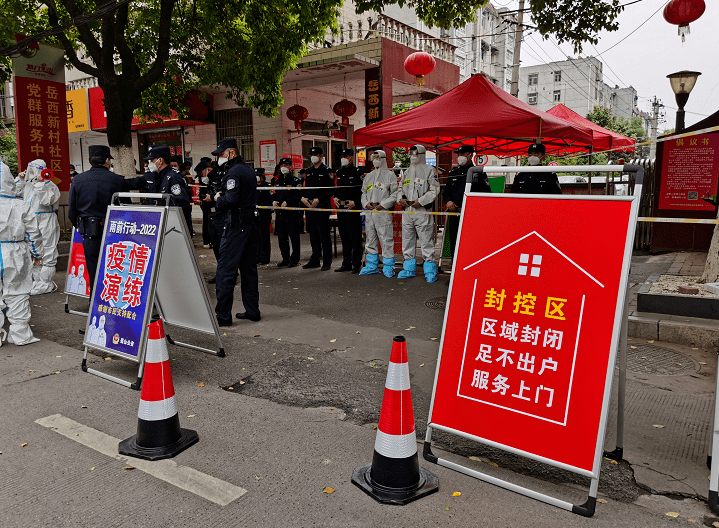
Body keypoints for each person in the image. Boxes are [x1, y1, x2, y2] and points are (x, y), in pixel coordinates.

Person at [68, 145, 144, 292]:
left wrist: (79, 226)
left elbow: (72, 210)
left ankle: (95, 306)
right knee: (115, 270)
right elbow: (125, 207)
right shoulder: (116, 179)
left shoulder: (78, 180)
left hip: (89, 232)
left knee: (94, 270)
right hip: (113, 231)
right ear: (107, 160)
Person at [211, 137, 260, 325]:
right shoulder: (248, 169)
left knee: (225, 271)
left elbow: (230, 200)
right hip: (250, 225)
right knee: (249, 270)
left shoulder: (233, 172)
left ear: (231, 152)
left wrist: (218, 199)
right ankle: (252, 310)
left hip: (235, 225)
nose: (219, 158)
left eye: (222, 154)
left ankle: (223, 317)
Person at [0, 160, 44, 346]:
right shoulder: (20, 204)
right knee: (18, 292)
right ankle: (20, 334)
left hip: (12, 248)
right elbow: (33, 232)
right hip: (15, 250)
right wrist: (38, 254)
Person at [396, 144, 440, 283]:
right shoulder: (407, 171)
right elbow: (400, 188)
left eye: (415, 153)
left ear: (421, 154)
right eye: (410, 153)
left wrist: (420, 201)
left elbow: (434, 190)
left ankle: (430, 270)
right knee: (407, 241)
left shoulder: (429, 171)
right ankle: (408, 268)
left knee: (426, 241)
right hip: (408, 212)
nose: (412, 156)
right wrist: (400, 199)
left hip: (422, 211)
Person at [18, 159, 61, 295]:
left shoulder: (50, 185)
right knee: (34, 249)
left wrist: (41, 184)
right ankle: (37, 280)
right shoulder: (27, 185)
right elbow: (12, 193)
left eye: (33, 170)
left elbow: (47, 200)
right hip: (31, 219)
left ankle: (46, 282)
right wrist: (19, 180)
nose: (30, 173)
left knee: (49, 250)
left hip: (46, 218)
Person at [444, 145, 491, 258]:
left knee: (471, 242)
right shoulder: (453, 173)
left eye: (463, 154)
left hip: (471, 215)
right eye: (459, 155)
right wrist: (448, 201)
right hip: (455, 214)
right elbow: (446, 192)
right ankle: (454, 267)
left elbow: (486, 194)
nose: (460, 157)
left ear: (470, 155)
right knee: (455, 242)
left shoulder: (479, 173)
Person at [359, 150, 398, 277]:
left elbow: (395, 194)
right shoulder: (369, 176)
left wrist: (385, 204)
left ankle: (388, 266)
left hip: (383, 212)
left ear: (383, 158)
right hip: (370, 212)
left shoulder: (390, 175)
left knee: (386, 239)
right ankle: (371, 265)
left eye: (377, 157)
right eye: (373, 157)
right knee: (370, 239)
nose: (375, 159)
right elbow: (363, 193)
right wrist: (365, 204)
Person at [145, 146, 194, 235]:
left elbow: (180, 203)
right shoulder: (159, 176)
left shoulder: (173, 177)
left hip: (177, 228)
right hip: (166, 227)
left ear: (160, 160)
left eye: (152, 160)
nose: (150, 163)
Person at [300, 147, 335, 271]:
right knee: (313, 235)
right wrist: (303, 198)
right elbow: (305, 188)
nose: (313, 156)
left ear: (321, 156)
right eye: (311, 154)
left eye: (316, 154)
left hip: (321, 207)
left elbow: (331, 189)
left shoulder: (327, 171)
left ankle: (327, 262)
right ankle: (315, 259)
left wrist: (319, 199)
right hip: (309, 207)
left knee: (324, 235)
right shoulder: (308, 171)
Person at [333, 148, 363, 273]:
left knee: (355, 238)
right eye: (341, 156)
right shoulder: (338, 173)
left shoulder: (358, 172)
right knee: (344, 237)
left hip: (353, 210)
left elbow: (363, 191)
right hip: (341, 209)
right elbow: (336, 189)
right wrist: (335, 197)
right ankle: (346, 263)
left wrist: (355, 202)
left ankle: (356, 264)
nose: (343, 158)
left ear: (351, 158)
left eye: (346, 156)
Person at [273, 158, 302, 267]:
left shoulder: (295, 181)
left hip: (291, 213)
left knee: (294, 237)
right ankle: (285, 258)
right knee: (281, 237)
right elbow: (274, 193)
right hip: (280, 214)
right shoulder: (277, 180)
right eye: (282, 165)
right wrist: (274, 200)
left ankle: (294, 259)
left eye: (286, 165)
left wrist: (288, 202)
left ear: (291, 167)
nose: (284, 166)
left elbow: (298, 195)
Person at [255, 167, 272, 264]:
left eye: (259, 176)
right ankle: (257, 257)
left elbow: (269, 200)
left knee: (264, 237)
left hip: (264, 215)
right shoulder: (253, 186)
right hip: (255, 215)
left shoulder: (267, 186)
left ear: (263, 176)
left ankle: (265, 258)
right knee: (256, 237)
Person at [196, 160, 214, 248]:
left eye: (202, 173)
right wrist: (201, 200)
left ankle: (212, 240)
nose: (201, 176)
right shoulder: (201, 179)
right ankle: (206, 241)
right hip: (205, 203)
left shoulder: (215, 177)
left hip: (214, 203)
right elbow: (201, 191)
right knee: (206, 221)